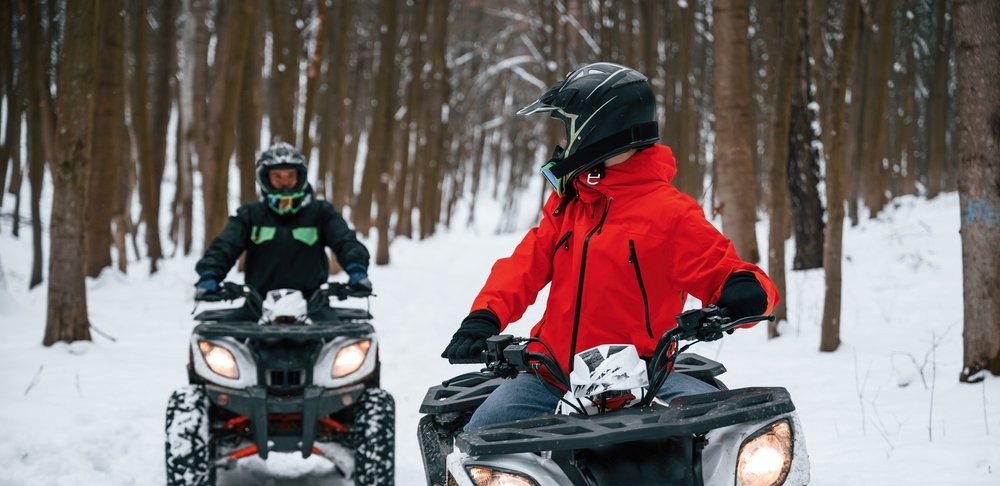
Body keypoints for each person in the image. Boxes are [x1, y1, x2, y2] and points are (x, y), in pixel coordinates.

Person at [441, 62, 779, 430]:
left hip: (645, 380)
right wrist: (484, 316)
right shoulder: (570, 204)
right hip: (552, 377)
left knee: (724, 438)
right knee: (477, 441)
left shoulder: (669, 213)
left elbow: (725, 269)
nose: (564, 142)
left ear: (598, 127)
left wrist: (744, 290)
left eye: (569, 129)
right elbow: (524, 265)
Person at [194, 141, 371, 310]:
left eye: (290, 176)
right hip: (258, 306)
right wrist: (210, 273)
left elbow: (344, 240)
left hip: (313, 305)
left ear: (299, 177)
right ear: (266, 178)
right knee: (213, 339)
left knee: (353, 339)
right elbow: (226, 245)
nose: (284, 182)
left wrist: (357, 269)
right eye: (277, 176)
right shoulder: (250, 215)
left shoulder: (321, 213)